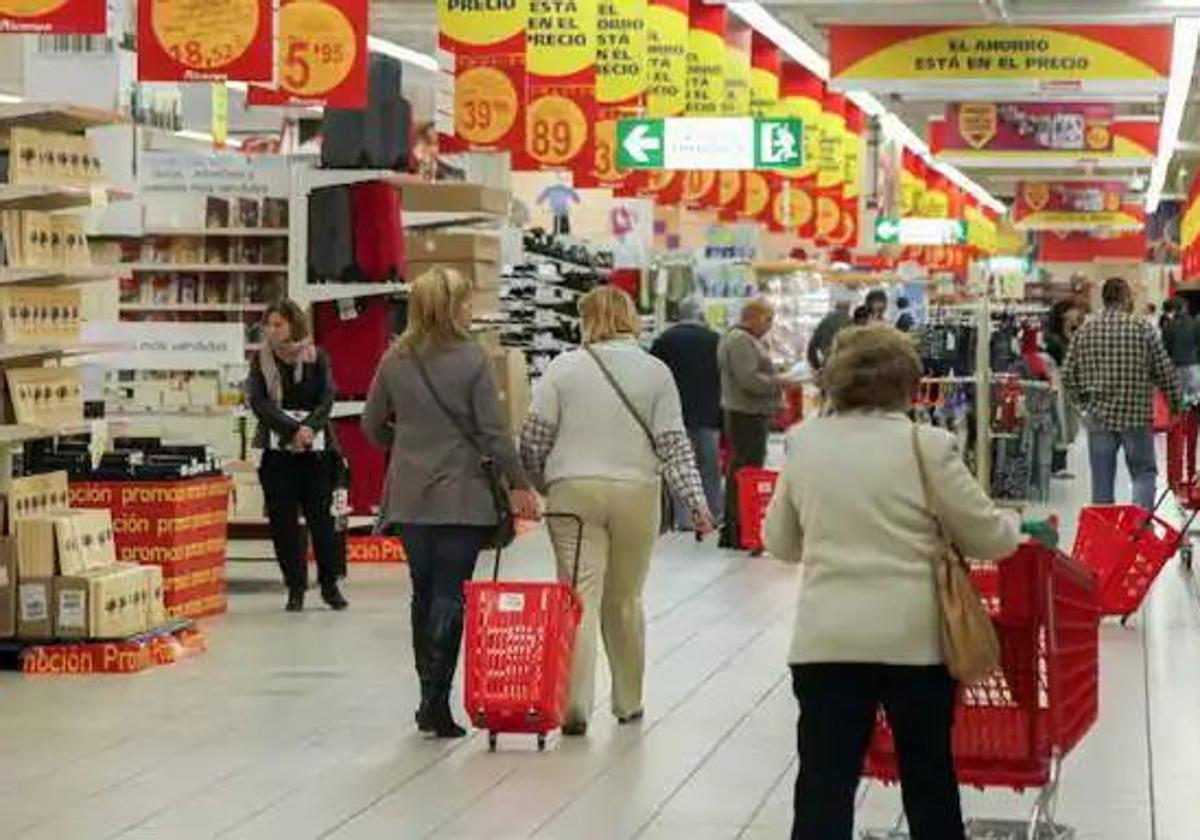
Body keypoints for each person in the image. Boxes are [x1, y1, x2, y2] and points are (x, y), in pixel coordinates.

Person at [763, 324, 1021, 840]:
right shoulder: (928, 446)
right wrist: (1012, 523)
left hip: (826, 641)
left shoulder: (804, 444)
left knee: (823, 783)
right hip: (915, 644)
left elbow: (781, 543)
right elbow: (991, 539)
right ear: (908, 383)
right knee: (927, 779)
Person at [520, 286, 714, 736]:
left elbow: (533, 440)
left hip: (572, 492)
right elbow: (674, 447)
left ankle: (573, 704)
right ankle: (628, 701)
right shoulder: (655, 372)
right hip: (636, 492)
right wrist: (697, 505)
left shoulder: (562, 368)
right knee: (625, 599)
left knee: (577, 597)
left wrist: (543, 482)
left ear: (587, 320)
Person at [362, 267, 540, 739]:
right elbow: (494, 434)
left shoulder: (394, 359)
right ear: (450, 307)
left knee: (423, 593)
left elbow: (371, 425)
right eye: (465, 301)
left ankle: (427, 695)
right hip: (461, 494)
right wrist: (519, 483)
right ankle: (435, 702)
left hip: (410, 496)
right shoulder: (471, 359)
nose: (469, 308)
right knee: (450, 593)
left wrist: (406, 443)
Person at [246, 300, 347, 614]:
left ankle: (329, 583)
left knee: (323, 521)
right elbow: (259, 403)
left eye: (279, 325)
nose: (273, 331)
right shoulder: (259, 361)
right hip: (279, 454)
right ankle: (295, 586)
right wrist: (293, 430)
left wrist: (309, 428)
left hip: (317, 454)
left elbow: (327, 397)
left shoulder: (317, 357)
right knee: (283, 524)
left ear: (294, 325)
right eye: (269, 325)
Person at [1063, 277, 1183, 511]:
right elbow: (1165, 372)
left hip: (1098, 416)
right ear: (1126, 297)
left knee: (1101, 484)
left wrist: (1082, 404)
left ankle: (1106, 535)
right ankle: (1139, 528)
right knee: (1143, 473)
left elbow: (1067, 374)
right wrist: (1176, 405)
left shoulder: (1085, 329)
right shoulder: (1142, 329)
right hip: (1135, 416)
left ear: (1104, 299)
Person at [717, 298, 787, 550]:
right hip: (745, 413)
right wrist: (780, 381)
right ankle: (738, 530)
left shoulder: (744, 340)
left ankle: (739, 528)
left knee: (743, 468)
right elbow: (749, 379)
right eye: (768, 320)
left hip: (747, 412)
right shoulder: (740, 341)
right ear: (754, 318)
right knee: (745, 471)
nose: (769, 326)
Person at [651, 297, 724, 529]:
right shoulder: (714, 340)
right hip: (708, 412)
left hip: (675, 412)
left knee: (680, 467)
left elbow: (654, 374)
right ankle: (713, 513)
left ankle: (684, 519)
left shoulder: (665, 340)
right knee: (709, 467)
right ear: (701, 315)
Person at [1160, 297, 1200, 403]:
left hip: (1175, 367)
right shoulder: (1196, 323)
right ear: (1185, 308)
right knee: (1194, 400)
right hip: (1193, 366)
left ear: (1174, 310)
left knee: (1178, 400)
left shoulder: (1168, 326)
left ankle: (1180, 416)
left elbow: (1165, 349)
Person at [806, 298, 851, 373]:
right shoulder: (852, 323)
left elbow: (811, 347)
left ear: (835, 307)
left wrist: (817, 367)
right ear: (848, 308)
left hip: (829, 366)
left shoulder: (825, 322)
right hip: (848, 368)